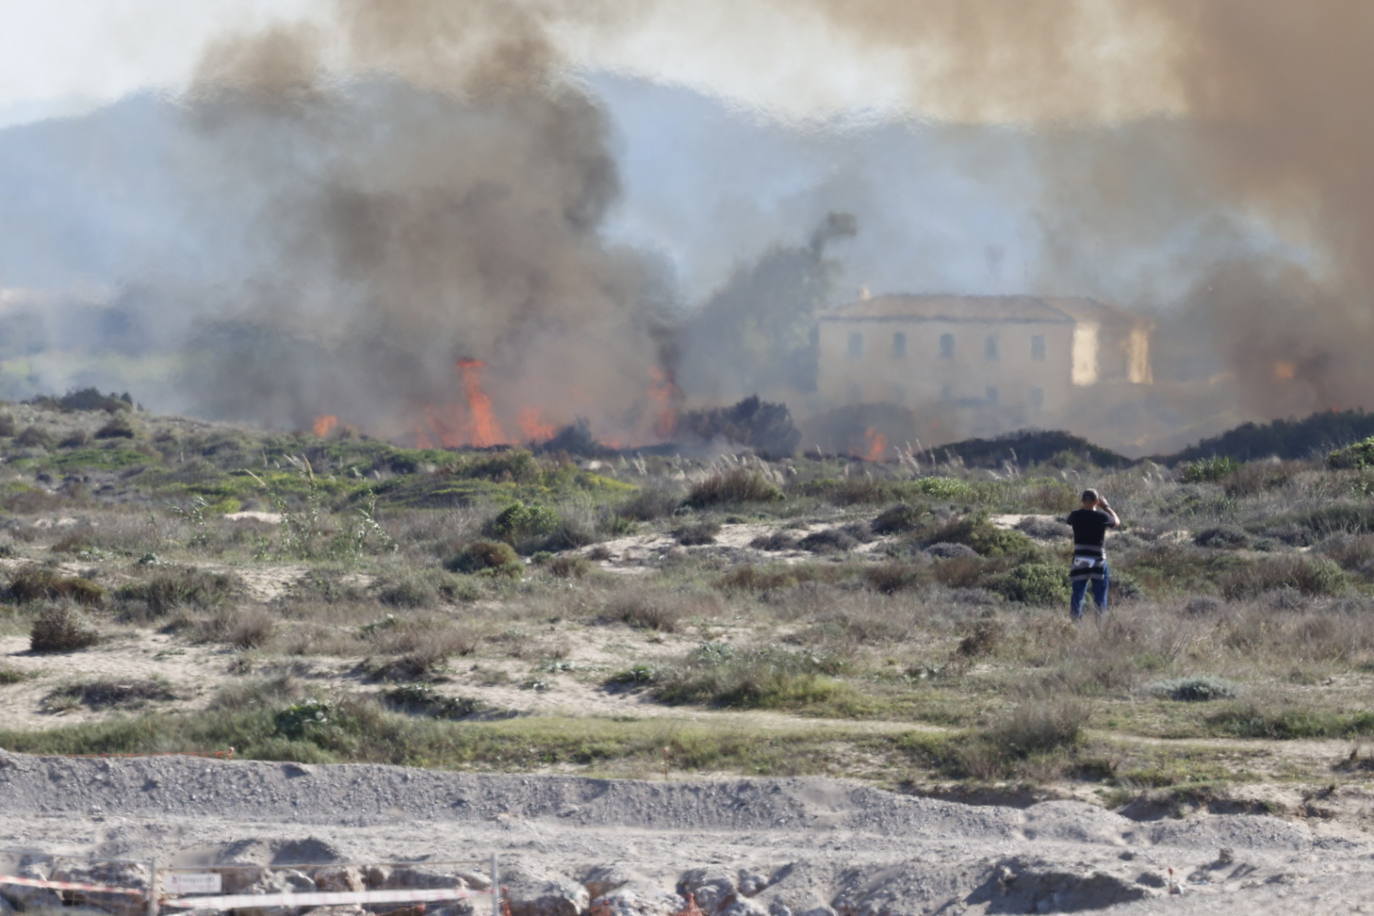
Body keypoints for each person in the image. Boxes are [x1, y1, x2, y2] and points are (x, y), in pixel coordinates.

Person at [1066, 488, 1119, 620]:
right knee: (1100, 595)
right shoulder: (1102, 517)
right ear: (1096, 501)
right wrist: (1106, 506)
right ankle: (1099, 624)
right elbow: (1116, 522)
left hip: (1079, 559)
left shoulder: (1075, 515)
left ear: (1082, 500)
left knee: (1077, 594)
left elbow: (1069, 520)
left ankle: (1074, 623)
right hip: (1097, 560)